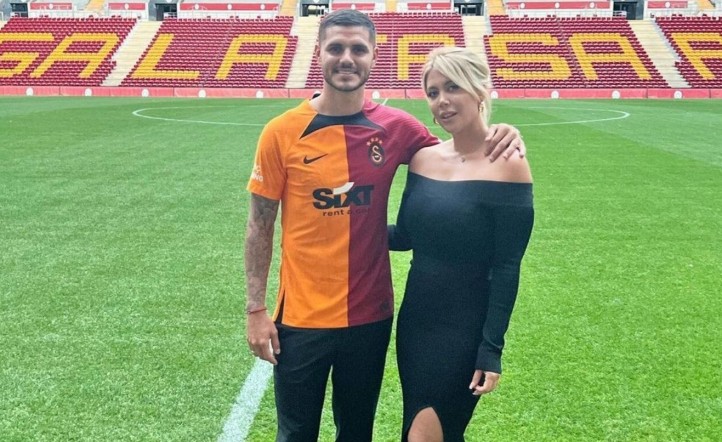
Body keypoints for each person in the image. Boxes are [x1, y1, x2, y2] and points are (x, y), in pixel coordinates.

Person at [244, 10, 525, 441]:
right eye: (336, 48)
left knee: (357, 433)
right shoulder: (280, 132)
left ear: (374, 57)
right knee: (295, 434)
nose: (347, 58)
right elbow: (259, 225)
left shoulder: (398, 128)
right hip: (299, 318)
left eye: (358, 49)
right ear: (319, 53)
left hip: (370, 318)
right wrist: (255, 310)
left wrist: (501, 131)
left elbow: (459, 153)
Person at [388, 46, 535, 442]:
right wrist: (343, 226)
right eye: (433, 92)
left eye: (452, 87)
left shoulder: (509, 164)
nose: (442, 101)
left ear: (480, 89)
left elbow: (507, 266)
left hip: (464, 329)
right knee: (427, 429)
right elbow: (405, 236)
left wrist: (491, 348)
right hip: (416, 323)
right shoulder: (423, 159)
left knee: (425, 435)